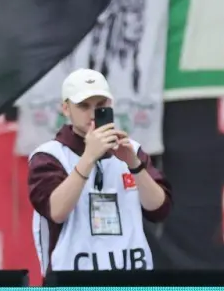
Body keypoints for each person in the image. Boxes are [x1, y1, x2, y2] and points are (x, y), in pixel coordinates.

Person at [28, 69, 170, 277]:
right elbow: (56, 211)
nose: (93, 113)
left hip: (132, 282)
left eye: (101, 105)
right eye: (83, 106)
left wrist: (134, 165)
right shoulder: (49, 156)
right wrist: (88, 158)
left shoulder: (132, 150)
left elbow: (160, 209)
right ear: (66, 108)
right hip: (73, 284)